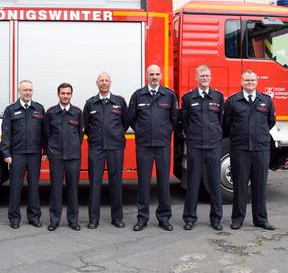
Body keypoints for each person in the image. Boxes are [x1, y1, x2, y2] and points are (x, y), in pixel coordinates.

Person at [223, 70, 276, 230]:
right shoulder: (233, 101)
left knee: (260, 185)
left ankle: (261, 219)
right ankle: (237, 219)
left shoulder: (266, 101)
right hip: (240, 149)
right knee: (239, 185)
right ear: (241, 81)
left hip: (260, 149)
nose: (250, 82)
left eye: (252, 80)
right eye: (247, 80)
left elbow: (270, 122)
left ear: (257, 81)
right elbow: (227, 124)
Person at [128, 64, 178, 231]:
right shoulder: (138, 95)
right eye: (151, 74)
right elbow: (131, 119)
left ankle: (164, 218)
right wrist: (142, 132)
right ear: (146, 76)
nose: (154, 77)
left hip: (163, 145)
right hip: (144, 145)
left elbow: (174, 120)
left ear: (161, 76)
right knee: (143, 183)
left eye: (157, 74)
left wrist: (164, 133)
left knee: (164, 182)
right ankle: (142, 218)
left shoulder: (169, 95)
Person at [83, 72, 129, 229]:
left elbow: (125, 123)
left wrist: (114, 135)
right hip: (96, 148)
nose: (104, 83)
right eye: (101, 81)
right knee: (95, 183)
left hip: (115, 148)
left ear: (111, 82)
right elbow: (86, 126)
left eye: (106, 80)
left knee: (116, 183)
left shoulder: (119, 102)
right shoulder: (90, 103)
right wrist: (97, 137)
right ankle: (93, 219)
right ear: (97, 83)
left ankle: (117, 218)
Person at [181, 64, 224, 231]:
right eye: (202, 76)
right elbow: (184, 121)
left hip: (213, 146)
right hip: (195, 146)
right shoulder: (188, 98)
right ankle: (190, 218)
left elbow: (222, 120)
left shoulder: (218, 97)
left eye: (207, 76)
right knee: (192, 183)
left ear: (210, 77)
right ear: (196, 78)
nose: (205, 78)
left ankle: (216, 218)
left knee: (214, 183)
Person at [1, 80, 45, 229]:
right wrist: (6, 153)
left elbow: (44, 133)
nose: (28, 93)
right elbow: (6, 133)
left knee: (34, 187)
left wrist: (44, 150)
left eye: (30, 90)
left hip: (34, 154)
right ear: (19, 91)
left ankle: (34, 217)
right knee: (15, 187)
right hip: (17, 155)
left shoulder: (39, 108)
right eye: (25, 90)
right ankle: (14, 218)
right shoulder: (11, 110)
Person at [44, 83, 83, 231]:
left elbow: (79, 135)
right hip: (56, 157)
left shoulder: (77, 112)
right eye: (63, 93)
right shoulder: (51, 113)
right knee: (56, 188)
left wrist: (73, 148)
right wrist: (52, 151)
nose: (65, 96)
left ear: (71, 95)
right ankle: (54, 220)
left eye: (68, 93)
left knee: (73, 189)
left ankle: (73, 220)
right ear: (58, 94)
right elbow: (47, 134)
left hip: (73, 157)